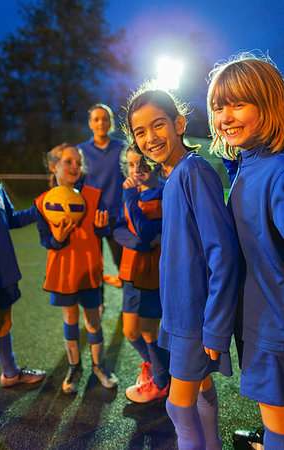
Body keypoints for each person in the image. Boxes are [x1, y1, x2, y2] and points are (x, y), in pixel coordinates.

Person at [123, 85, 240, 449]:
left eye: (158, 125)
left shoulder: (193, 171)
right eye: (140, 132)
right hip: (178, 315)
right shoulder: (172, 177)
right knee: (201, 389)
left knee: (177, 406)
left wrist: (215, 324)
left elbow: (223, 252)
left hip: (195, 318)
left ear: (178, 123)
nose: (149, 138)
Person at [207, 53, 284, 450]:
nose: (225, 117)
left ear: (269, 104)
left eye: (238, 104)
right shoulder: (252, 163)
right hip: (262, 322)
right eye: (219, 106)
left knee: (279, 428)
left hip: (274, 328)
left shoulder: (277, 170)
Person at [35, 143, 118, 394]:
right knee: (70, 320)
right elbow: (44, 240)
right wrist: (57, 239)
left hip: (89, 270)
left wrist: (102, 229)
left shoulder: (93, 195)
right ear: (53, 166)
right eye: (68, 162)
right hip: (63, 271)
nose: (75, 167)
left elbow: (101, 231)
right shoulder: (43, 202)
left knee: (93, 321)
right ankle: (75, 367)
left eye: (78, 163)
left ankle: (99, 366)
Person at [0, 134, 46, 425]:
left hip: (4, 271)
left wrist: (46, 206)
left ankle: (10, 374)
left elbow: (12, 220)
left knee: (3, 320)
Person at [113, 145, 169, 402]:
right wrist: (142, 244)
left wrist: (131, 200)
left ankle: (160, 382)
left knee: (149, 331)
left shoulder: (163, 193)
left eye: (142, 163)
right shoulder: (133, 193)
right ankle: (159, 367)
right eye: (132, 164)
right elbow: (119, 230)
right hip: (130, 272)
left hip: (150, 274)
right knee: (130, 331)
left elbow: (146, 229)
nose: (137, 169)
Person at [77, 104, 125, 287]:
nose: (101, 123)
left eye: (105, 119)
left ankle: (129, 303)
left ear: (111, 122)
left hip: (116, 216)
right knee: (94, 265)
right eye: (96, 119)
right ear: (90, 123)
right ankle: (98, 304)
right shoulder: (81, 151)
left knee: (122, 263)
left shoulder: (122, 148)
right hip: (90, 217)